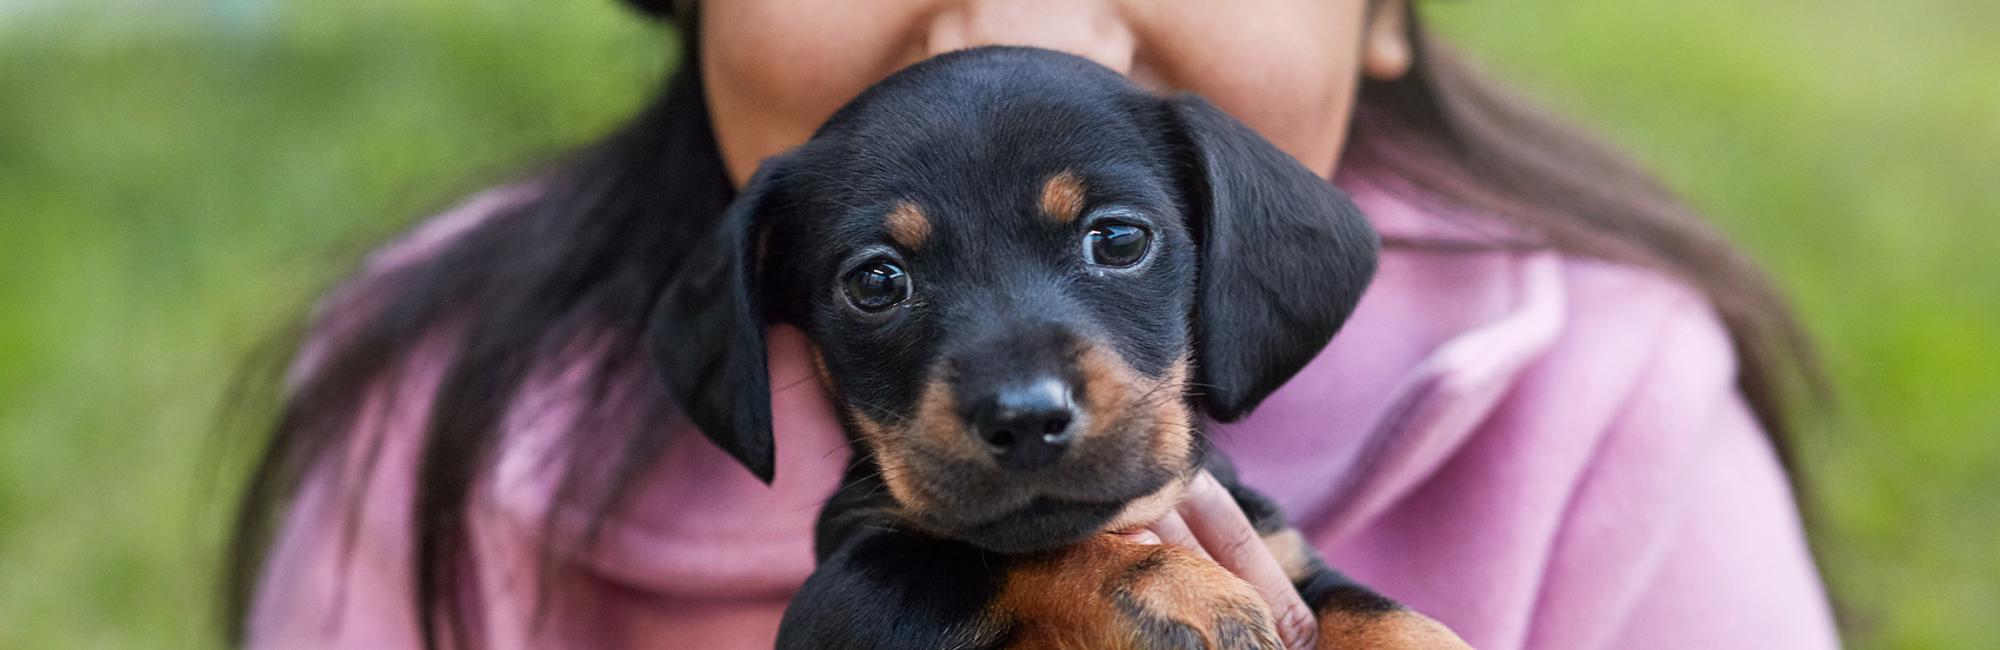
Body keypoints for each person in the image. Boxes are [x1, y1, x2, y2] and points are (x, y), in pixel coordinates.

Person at [229, 1, 1840, 648]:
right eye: (881, 280)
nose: (1020, 10)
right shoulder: (437, 419)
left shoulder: (1616, 412)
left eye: (1113, 240)